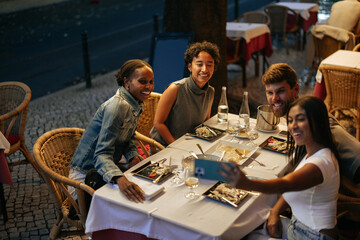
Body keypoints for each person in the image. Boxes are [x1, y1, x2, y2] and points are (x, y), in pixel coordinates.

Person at [220, 96, 340, 240]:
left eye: (300, 119)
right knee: (244, 227)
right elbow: (292, 188)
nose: (293, 126)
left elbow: (286, 184)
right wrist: (275, 212)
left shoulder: (321, 164)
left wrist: (246, 184)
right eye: (290, 120)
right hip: (298, 226)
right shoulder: (313, 152)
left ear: (317, 122)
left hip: (311, 236)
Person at [69, 59, 155, 203]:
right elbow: (101, 154)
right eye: (142, 81)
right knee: (137, 201)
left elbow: (128, 137)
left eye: (151, 81)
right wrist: (120, 179)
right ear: (127, 82)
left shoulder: (134, 102)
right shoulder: (118, 107)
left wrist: (133, 157)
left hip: (104, 171)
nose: (149, 87)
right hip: (85, 181)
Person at [262, 63, 360, 184]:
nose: (274, 98)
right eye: (270, 93)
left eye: (280, 91)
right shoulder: (294, 119)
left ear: (296, 89)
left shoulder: (312, 120)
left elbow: (355, 154)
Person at [150, 41, 220, 145]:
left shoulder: (210, 91)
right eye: (199, 64)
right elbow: (158, 123)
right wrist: (176, 146)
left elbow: (204, 123)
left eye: (209, 65)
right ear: (190, 67)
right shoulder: (175, 89)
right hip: (164, 146)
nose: (205, 69)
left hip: (191, 143)